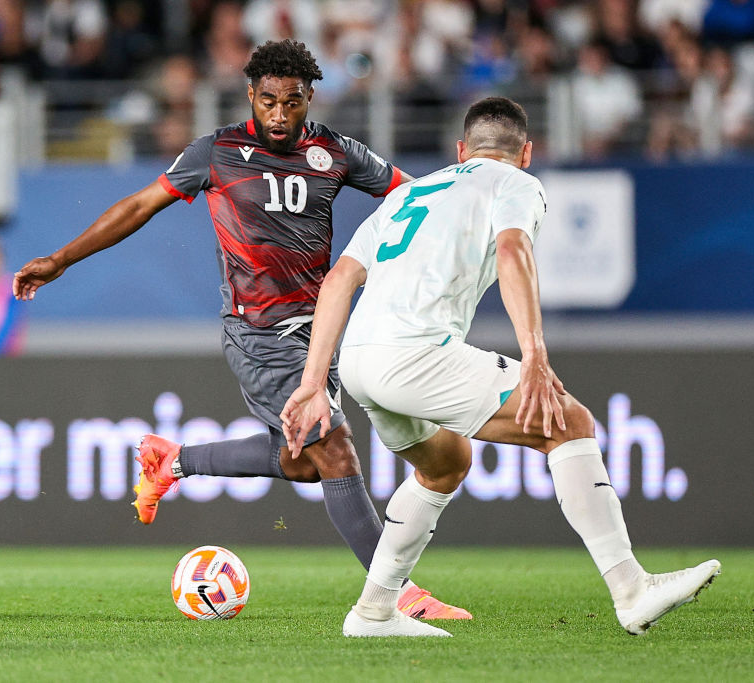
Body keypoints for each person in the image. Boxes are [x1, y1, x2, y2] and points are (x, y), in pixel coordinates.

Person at [12, 39, 469, 620]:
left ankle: (173, 460)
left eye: (293, 103)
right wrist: (61, 259)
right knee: (334, 448)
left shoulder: (335, 152)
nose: (280, 115)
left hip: (319, 335)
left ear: (310, 99)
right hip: (259, 332)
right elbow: (137, 206)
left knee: (304, 460)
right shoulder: (218, 152)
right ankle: (398, 597)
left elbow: (413, 194)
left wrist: (470, 200)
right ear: (251, 94)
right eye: (270, 100)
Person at [280, 96, 721, 638]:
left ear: (460, 150)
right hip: (415, 352)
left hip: (360, 362)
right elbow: (513, 251)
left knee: (444, 464)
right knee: (570, 424)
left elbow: (339, 281)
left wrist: (311, 384)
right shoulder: (515, 183)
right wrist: (534, 353)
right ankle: (632, 590)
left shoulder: (407, 193)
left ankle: (372, 613)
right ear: (527, 152)